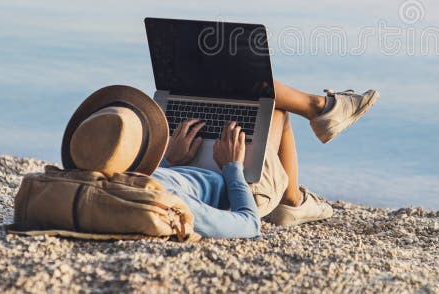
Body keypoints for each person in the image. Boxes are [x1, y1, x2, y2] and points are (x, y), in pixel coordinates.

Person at [149, 81, 379, 238]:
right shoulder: (171, 206)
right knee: (271, 103)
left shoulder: (122, 175)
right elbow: (249, 224)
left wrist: (169, 162)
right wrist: (232, 167)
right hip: (243, 188)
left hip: (185, 163)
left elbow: (158, 179)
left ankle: (322, 110)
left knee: (220, 84)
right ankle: (321, 110)